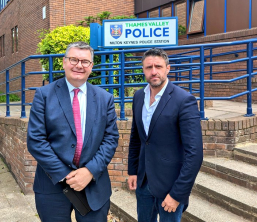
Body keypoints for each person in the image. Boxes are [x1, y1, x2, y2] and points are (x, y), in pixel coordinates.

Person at [27, 41, 119, 222]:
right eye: (73, 59)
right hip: (52, 184)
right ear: (64, 62)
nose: (79, 65)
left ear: (91, 66)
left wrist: (90, 171)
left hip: (93, 185)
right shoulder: (43, 95)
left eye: (85, 61)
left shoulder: (105, 98)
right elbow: (36, 140)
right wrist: (65, 175)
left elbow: (110, 139)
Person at [127, 48, 203, 222]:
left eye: (158, 66)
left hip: (170, 187)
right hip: (144, 182)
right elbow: (137, 138)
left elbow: (195, 153)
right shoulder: (139, 97)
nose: (154, 71)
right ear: (143, 70)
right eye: (149, 67)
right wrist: (132, 171)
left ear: (167, 68)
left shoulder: (184, 100)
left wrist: (178, 194)